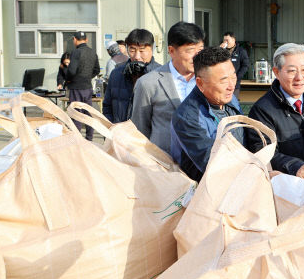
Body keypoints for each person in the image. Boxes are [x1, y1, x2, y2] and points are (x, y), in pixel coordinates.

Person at [247, 43, 304, 177]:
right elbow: (264, 153)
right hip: (285, 183)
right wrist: (295, 166)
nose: (299, 77)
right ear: (276, 72)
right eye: (292, 71)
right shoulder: (262, 111)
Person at [170, 47, 244, 181]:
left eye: (233, 76)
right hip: (205, 190)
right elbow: (212, 163)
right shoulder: (187, 117)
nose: (231, 86)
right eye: (223, 80)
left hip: (240, 179)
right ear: (200, 83)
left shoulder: (229, 98)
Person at [131, 22, 205, 153]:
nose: (197, 56)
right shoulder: (148, 83)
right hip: (163, 163)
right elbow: (140, 129)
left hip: (202, 162)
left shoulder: (207, 80)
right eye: (190, 50)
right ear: (171, 51)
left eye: (199, 50)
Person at [103, 29, 160, 123]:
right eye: (132, 50)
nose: (137, 56)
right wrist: (110, 130)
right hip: (120, 134)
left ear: (152, 49)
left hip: (147, 136)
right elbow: (107, 107)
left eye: (142, 51)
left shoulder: (161, 75)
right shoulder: (116, 74)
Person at [64, 31, 101, 141]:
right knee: (87, 113)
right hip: (88, 88)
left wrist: (68, 80)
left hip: (76, 88)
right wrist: (88, 77)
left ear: (75, 40)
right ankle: (89, 138)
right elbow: (97, 70)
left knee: (76, 114)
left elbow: (71, 71)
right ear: (86, 40)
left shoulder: (76, 52)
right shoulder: (92, 52)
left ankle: (76, 140)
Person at [221, 31, 250, 99]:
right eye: (224, 40)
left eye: (227, 40)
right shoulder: (221, 51)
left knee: (232, 102)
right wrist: (219, 50)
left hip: (234, 84)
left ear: (233, 40)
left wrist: (237, 77)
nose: (225, 42)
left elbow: (245, 65)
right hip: (222, 83)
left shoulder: (241, 51)